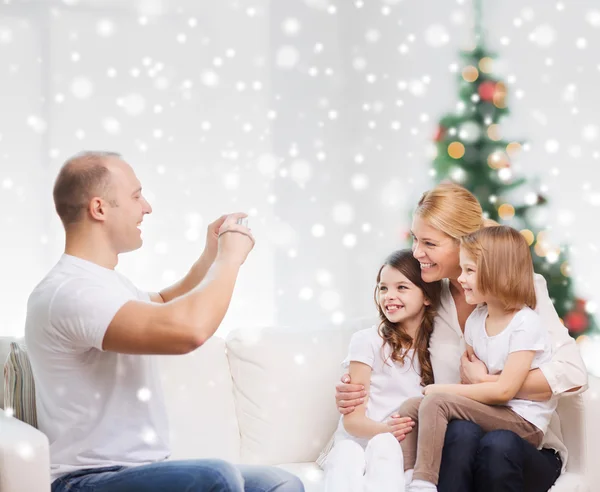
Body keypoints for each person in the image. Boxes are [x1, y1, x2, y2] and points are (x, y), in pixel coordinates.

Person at [25, 151, 304, 492]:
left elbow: (162, 304)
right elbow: (187, 331)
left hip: (144, 470)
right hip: (87, 481)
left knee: (281, 483)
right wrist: (229, 259)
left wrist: (211, 255)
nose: (147, 207)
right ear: (99, 209)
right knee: (217, 477)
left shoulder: (103, 283)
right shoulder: (70, 292)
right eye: (136, 195)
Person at [334, 183, 587, 492]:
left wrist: (489, 382)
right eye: (415, 239)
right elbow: (386, 341)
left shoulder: (520, 290)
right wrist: (356, 390)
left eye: (429, 242)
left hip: (519, 444)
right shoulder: (428, 295)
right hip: (457, 439)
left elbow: (573, 373)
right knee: (460, 434)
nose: (416, 253)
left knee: (496, 444)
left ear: (465, 242)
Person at [398, 226, 557, 492]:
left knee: (435, 401)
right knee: (410, 407)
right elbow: (469, 387)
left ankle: (423, 483)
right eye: (462, 270)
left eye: (469, 271)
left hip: (523, 421)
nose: (460, 279)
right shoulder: (476, 320)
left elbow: (505, 390)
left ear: (498, 273)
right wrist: (446, 392)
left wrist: (438, 390)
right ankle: (406, 475)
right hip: (492, 412)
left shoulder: (525, 323)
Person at [324, 250, 441, 492]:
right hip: (360, 441)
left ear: (427, 297)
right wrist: (386, 431)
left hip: (398, 450)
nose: (389, 296)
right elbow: (353, 421)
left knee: (386, 449)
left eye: (401, 287)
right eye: (383, 288)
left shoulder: (438, 347)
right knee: (349, 453)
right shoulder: (367, 341)